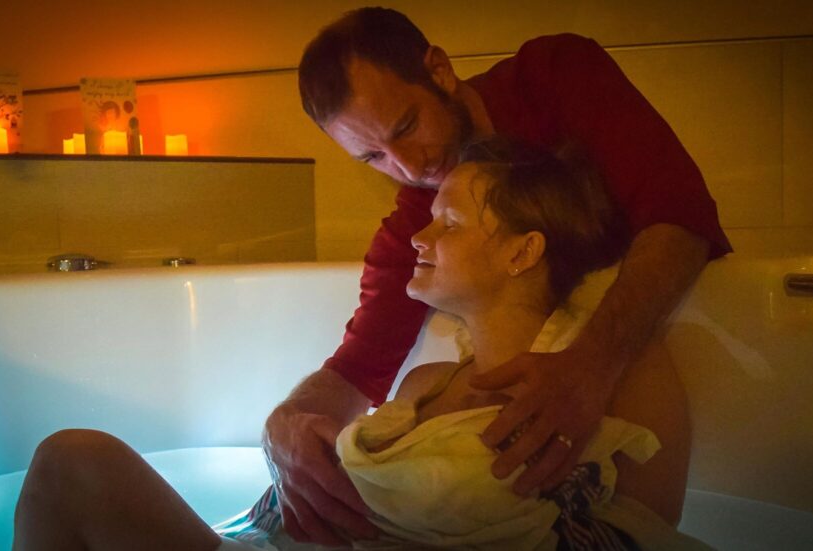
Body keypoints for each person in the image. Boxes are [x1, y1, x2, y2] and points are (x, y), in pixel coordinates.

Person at [12, 138, 700, 550]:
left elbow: (644, 532)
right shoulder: (424, 384)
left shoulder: (626, 371)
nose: (420, 238)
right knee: (70, 461)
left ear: (523, 252)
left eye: (450, 223)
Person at [265, 7, 731, 546]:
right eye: (373, 156)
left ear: (439, 70)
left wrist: (592, 366)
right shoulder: (414, 228)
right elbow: (357, 365)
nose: (409, 168)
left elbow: (680, 216)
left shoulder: (553, 78)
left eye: (407, 126)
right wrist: (284, 425)